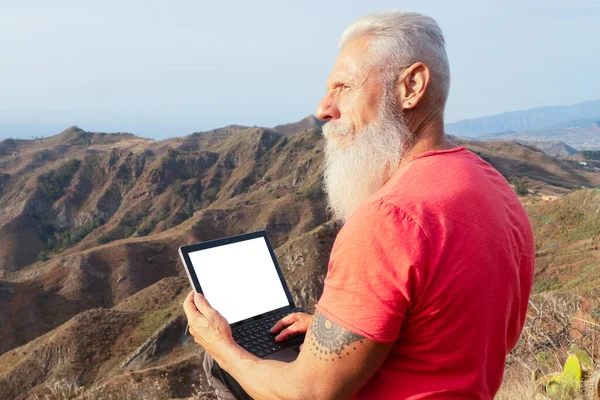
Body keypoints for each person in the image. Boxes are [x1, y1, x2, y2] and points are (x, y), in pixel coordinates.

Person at [183, 10, 535, 399]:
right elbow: (447, 331)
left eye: (343, 87)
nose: (323, 108)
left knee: (221, 364)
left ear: (411, 86)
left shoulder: (391, 219)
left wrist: (221, 345)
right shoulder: (495, 190)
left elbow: (308, 394)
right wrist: (347, 327)